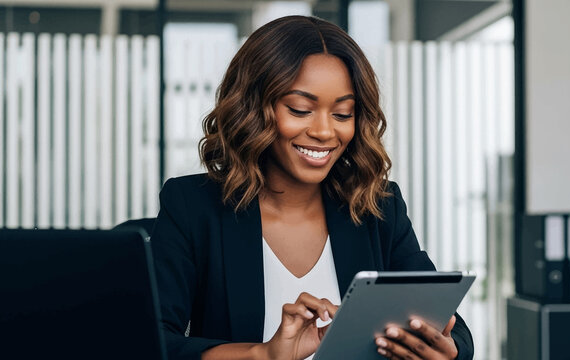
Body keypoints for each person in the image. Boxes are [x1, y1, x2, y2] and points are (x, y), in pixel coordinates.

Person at [151, 15, 474, 360]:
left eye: (342, 114)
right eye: (301, 109)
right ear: (253, 109)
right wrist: (263, 354)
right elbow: (150, 342)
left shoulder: (378, 207)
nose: (324, 132)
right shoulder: (193, 206)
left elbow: (452, 326)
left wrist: (448, 351)